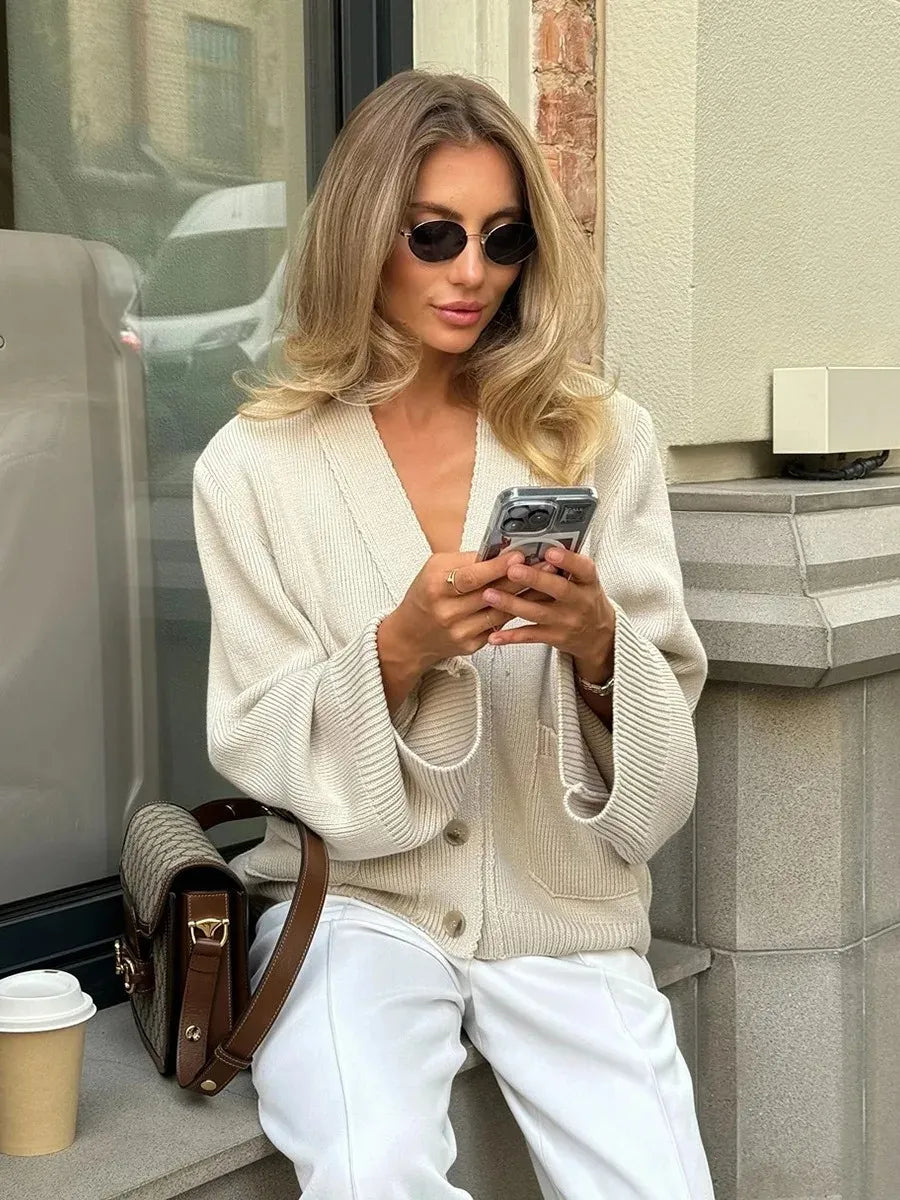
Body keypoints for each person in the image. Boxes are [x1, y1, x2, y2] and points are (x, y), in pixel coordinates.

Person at [193, 69, 715, 1200]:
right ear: (363, 235)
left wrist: (597, 647)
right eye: (432, 235)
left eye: (502, 237)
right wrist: (397, 650)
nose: (471, 272)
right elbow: (253, 730)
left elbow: (668, 722)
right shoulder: (252, 468)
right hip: (360, 908)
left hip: (562, 906)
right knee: (371, 1170)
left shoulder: (598, 435)